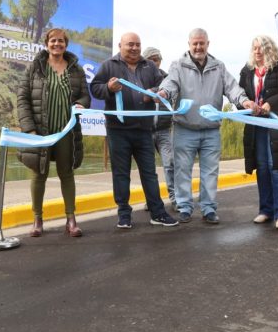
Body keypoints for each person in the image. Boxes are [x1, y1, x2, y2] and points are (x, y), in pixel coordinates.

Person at [158, 28, 256, 224]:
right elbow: (170, 84)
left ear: (208, 44)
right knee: (182, 170)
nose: (198, 47)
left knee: (210, 171)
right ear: (189, 44)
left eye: (202, 43)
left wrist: (244, 101)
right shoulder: (178, 65)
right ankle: (184, 207)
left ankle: (209, 208)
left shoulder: (218, 67)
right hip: (184, 128)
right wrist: (163, 93)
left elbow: (232, 88)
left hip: (211, 130)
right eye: (195, 43)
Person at [90, 32, 178, 229]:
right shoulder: (108, 65)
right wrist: (109, 88)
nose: (134, 48)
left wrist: (155, 93)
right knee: (121, 173)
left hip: (144, 129)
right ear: (120, 45)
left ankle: (158, 213)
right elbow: (95, 88)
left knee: (149, 173)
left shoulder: (149, 66)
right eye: (130, 45)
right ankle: (124, 215)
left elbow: (162, 84)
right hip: (117, 130)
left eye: (138, 45)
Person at [17, 28, 90, 238]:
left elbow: (85, 96)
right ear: (46, 43)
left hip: (67, 132)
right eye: (53, 41)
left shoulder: (76, 69)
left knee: (67, 174)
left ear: (66, 44)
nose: (57, 44)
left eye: (61, 41)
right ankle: (38, 220)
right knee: (39, 174)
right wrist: (29, 127)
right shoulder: (35, 67)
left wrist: (80, 104)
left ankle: (71, 219)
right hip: (40, 132)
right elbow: (22, 98)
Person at [239, 35, 278, 230]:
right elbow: (240, 95)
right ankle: (265, 210)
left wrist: (270, 103)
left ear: (270, 49)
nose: (258, 52)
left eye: (262, 48)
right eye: (255, 47)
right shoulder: (247, 70)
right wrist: (247, 104)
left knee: (276, 168)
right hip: (256, 125)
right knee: (263, 167)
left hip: (276, 126)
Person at [142, 46, 177, 211]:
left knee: (170, 164)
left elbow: (175, 98)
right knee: (148, 168)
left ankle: (175, 199)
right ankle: (151, 200)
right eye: (150, 60)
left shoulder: (168, 80)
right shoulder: (140, 80)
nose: (154, 63)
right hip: (145, 131)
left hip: (164, 130)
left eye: (156, 59)